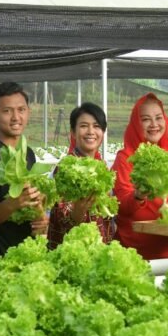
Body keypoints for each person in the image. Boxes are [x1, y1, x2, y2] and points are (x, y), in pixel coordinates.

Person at [112, 93, 168, 260]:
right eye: (146, 119)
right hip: (139, 255)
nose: (154, 124)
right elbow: (120, 206)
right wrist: (137, 196)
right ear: (136, 124)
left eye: (159, 118)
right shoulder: (126, 157)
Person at [0, 82, 48, 268]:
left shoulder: (27, 152)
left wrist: (41, 215)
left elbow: (33, 198)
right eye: (7, 111)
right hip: (0, 258)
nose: (16, 117)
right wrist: (14, 202)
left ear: (28, 112)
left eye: (21, 109)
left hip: (28, 253)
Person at [48, 102, 115, 248]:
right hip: (71, 250)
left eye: (96, 126)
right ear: (73, 132)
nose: (91, 131)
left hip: (100, 249)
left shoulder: (103, 167)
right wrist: (78, 210)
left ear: (103, 132)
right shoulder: (66, 168)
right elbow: (62, 219)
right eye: (84, 126)